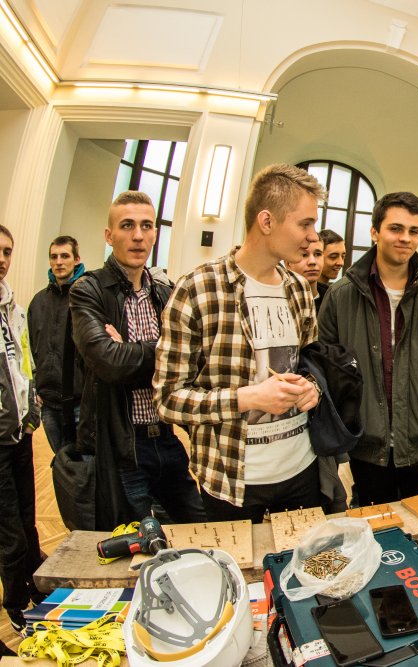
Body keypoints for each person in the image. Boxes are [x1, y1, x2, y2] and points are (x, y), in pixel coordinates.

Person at [154, 166, 324, 522]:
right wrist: (248, 398)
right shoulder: (198, 289)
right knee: (241, 576)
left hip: (302, 470)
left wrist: (313, 389)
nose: (312, 236)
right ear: (266, 221)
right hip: (232, 479)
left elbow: (311, 365)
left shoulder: (299, 289)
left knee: (304, 573)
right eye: (304, 224)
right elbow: (168, 400)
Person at [319, 192, 418, 503]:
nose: (405, 238)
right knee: (377, 533)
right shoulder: (342, 295)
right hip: (367, 446)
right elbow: (325, 364)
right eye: (395, 229)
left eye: (414, 231)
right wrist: (349, 413)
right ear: (375, 232)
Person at [71, 191, 205, 526]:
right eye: (127, 225)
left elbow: (194, 358)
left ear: (155, 233)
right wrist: (164, 349)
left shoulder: (164, 292)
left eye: (146, 226)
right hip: (123, 446)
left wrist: (130, 350)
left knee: (202, 529)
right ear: (109, 235)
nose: (137, 235)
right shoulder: (88, 291)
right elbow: (108, 362)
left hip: (167, 437)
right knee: (141, 546)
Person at [0, 225, 43, 637]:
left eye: (7, 251)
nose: (2, 258)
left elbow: (21, 364)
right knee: (9, 534)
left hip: (18, 432)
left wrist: (31, 406)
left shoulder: (11, 304)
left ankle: (34, 587)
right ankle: (14, 605)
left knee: (28, 523)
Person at [27, 235, 85, 453]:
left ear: (76, 259)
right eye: (54, 257)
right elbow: (31, 349)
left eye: (65, 256)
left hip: (79, 403)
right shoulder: (38, 301)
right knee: (61, 466)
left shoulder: (86, 297)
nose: (59, 262)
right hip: (48, 403)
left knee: (85, 469)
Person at [286, 237, 327, 310]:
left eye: (318, 254)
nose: (312, 261)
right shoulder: (278, 298)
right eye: (304, 254)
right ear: (288, 263)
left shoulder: (332, 298)